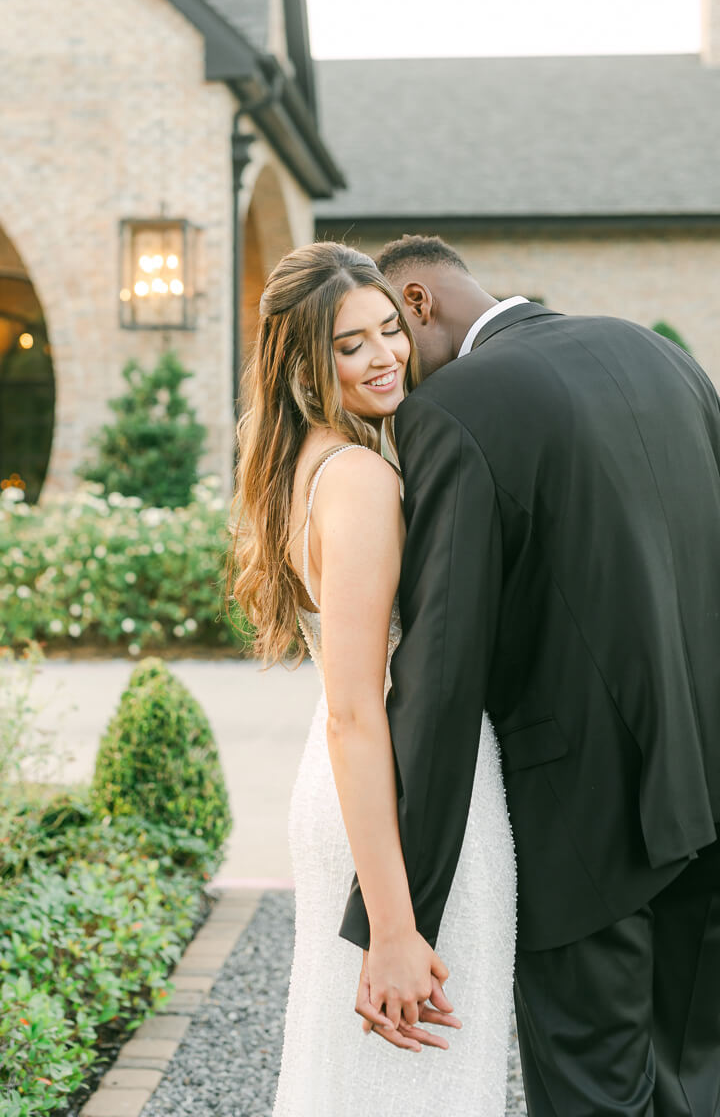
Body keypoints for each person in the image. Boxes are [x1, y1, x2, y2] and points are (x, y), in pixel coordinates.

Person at [340, 233, 720, 1117]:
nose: (389, 362)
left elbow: (441, 672)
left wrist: (401, 918)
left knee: (594, 1096)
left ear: (419, 302)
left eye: (386, 331)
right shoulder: (658, 353)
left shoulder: (456, 408)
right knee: (688, 1086)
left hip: (590, 825)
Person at [228, 241, 516, 1116]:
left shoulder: (307, 467)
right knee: (417, 1082)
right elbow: (356, 712)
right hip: (399, 810)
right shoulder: (356, 479)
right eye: (349, 345)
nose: (386, 355)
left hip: (367, 797)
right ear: (304, 365)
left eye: (390, 328)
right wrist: (391, 922)